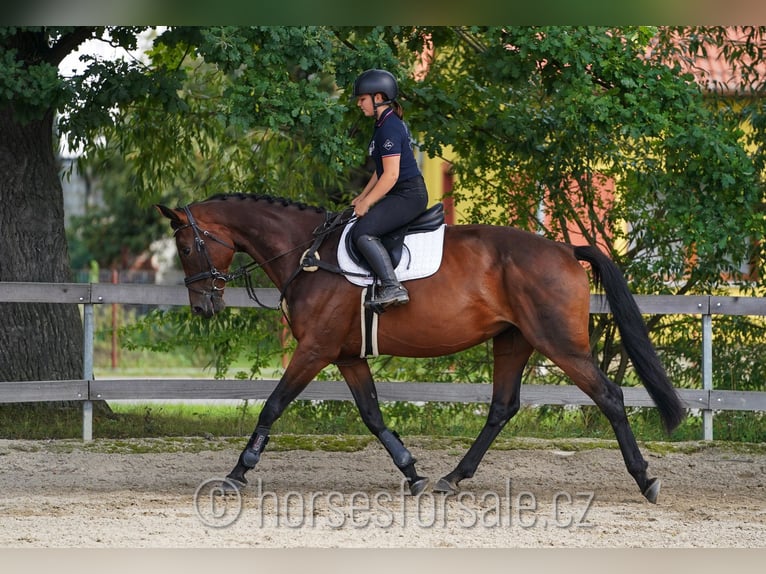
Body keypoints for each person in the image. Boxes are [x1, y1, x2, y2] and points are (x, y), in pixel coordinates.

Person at [350, 68, 429, 309]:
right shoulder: (382, 124)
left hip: (408, 195)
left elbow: (392, 175)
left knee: (362, 233)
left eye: (362, 99)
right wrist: (361, 196)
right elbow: (381, 170)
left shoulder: (389, 127)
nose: (359, 105)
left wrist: (368, 202)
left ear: (378, 98)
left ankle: (393, 287)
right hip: (399, 192)